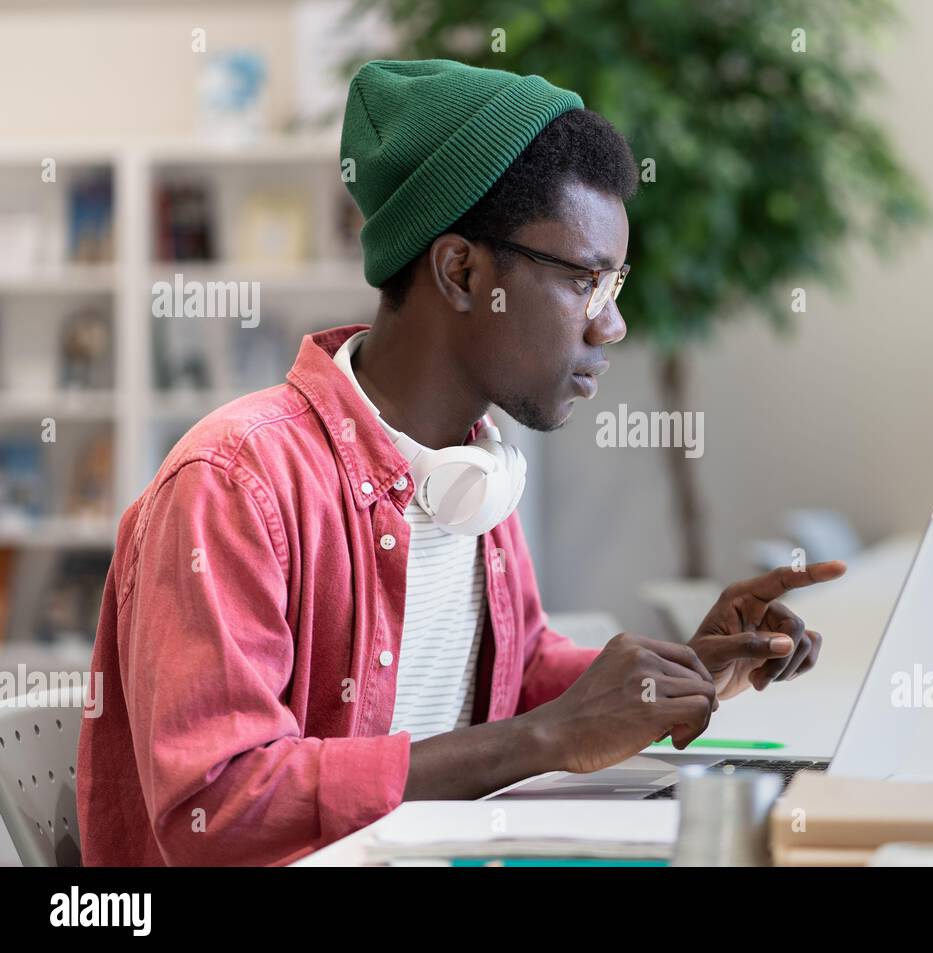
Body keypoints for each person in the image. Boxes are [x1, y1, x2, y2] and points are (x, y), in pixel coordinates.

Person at [77, 58, 845, 866]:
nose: (612, 325)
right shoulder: (233, 484)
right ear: (462, 272)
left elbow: (513, 681)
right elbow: (219, 805)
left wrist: (678, 674)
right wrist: (546, 738)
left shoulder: (469, 475)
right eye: (586, 281)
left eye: (615, 283)